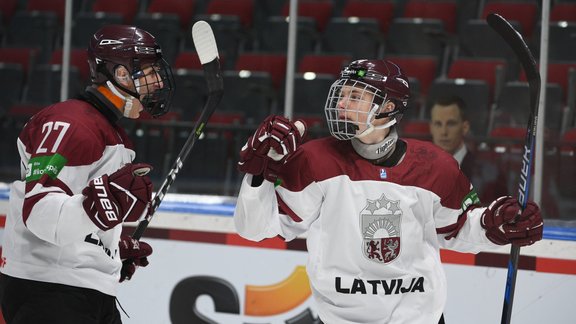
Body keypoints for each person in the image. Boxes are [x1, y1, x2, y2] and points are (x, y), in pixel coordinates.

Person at [233, 59, 543, 324]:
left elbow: (457, 229)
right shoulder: (315, 161)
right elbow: (255, 228)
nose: (341, 103)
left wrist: (494, 224)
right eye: (342, 94)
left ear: (388, 106)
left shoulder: (436, 167)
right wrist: (258, 174)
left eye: (355, 96)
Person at [0, 25, 175, 324]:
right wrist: (101, 209)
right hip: (50, 290)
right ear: (120, 74)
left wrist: (108, 249)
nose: (156, 81)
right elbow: (41, 213)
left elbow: (82, 207)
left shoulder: (108, 131)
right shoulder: (72, 124)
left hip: (78, 289)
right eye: (147, 71)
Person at [429, 95, 507, 203]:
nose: (443, 132)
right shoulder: (418, 171)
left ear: (465, 127)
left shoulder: (489, 175)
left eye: (451, 124)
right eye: (438, 124)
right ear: (431, 128)